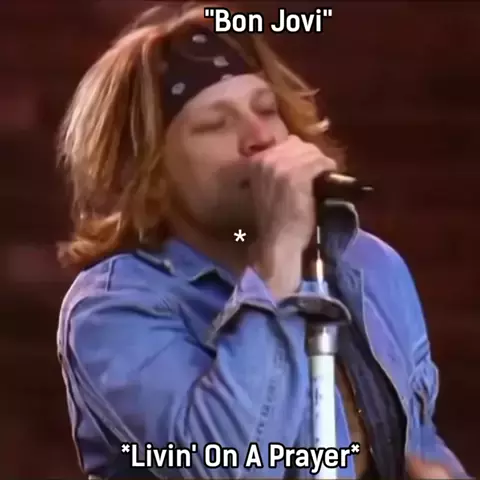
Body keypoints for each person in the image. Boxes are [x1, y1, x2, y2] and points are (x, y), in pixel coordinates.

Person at [56, 2, 469, 479]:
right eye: (215, 124)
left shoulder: (370, 264)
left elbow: (421, 442)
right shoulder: (112, 309)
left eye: (266, 110)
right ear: (147, 174)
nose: (259, 137)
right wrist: (277, 259)